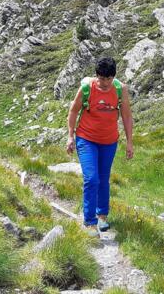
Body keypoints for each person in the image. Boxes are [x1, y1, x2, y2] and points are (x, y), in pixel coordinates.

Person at [66, 57, 133, 236]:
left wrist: (129, 142)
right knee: (91, 179)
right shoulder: (87, 88)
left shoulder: (121, 90)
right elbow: (73, 111)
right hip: (86, 139)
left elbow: (126, 116)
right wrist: (70, 136)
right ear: (96, 76)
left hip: (109, 141)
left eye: (108, 79)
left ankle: (102, 215)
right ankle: (89, 222)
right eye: (101, 79)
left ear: (114, 77)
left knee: (103, 179)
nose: (104, 83)